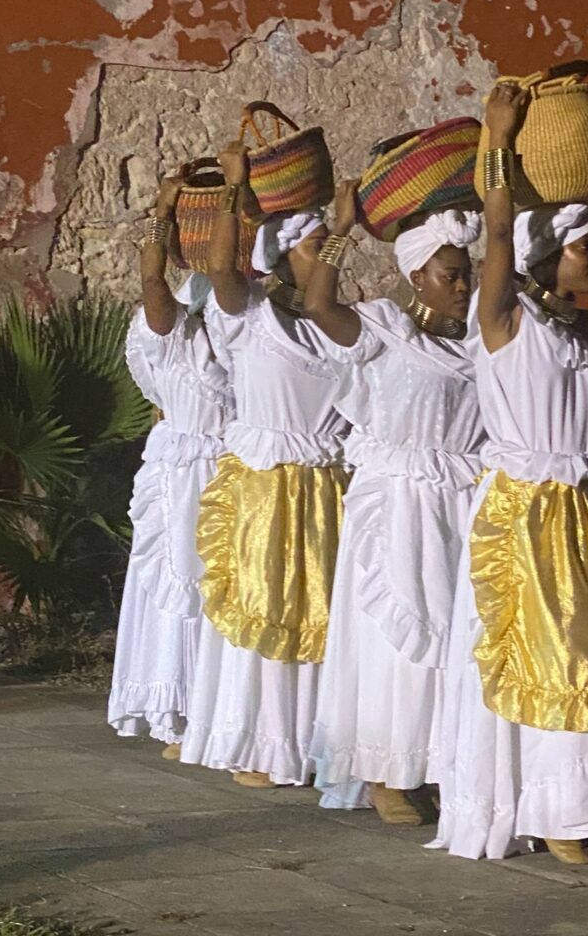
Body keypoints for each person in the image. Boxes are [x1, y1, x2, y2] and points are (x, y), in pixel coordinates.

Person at [431, 81, 588, 864]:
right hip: (528, 513)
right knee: (562, 650)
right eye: (582, 244)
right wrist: (496, 139)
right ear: (544, 254)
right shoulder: (503, 320)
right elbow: (496, 234)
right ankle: (561, 810)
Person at [305, 193, 487, 823]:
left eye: (467, 274)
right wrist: (344, 226)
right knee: (401, 636)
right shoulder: (385, 331)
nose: (463, 286)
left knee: (458, 636)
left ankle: (441, 761)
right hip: (400, 505)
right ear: (417, 278)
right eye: (450, 275)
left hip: (462, 501)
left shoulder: (482, 341)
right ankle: (387, 769)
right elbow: (318, 306)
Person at [179, 142, 351, 787]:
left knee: (324, 612)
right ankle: (260, 742)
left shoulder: (337, 327)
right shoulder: (247, 319)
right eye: (312, 247)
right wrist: (235, 187)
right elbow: (222, 265)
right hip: (265, 490)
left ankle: (318, 743)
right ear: (281, 259)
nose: (325, 260)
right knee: (266, 604)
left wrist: (340, 227)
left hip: (327, 488)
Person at [108, 172, 233, 755]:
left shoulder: (245, 311)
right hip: (186, 471)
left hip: (233, 467)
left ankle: (225, 711)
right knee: (182, 586)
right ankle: (179, 711)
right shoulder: (168, 323)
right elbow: (153, 282)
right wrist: (161, 210)